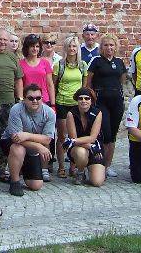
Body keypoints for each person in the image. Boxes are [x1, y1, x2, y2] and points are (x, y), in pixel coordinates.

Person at [1, 83, 55, 197]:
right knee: (18, 149)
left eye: (38, 98)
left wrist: (27, 135)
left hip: (31, 148)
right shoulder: (16, 109)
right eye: (31, 98)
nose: (35, 101)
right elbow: (16, 138)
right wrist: (38, 146)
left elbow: (47, 140)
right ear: (24, 99)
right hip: (12, 143)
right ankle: (14, 181)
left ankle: (20, 167)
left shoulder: (49, 112)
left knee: (36, 185)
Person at [85, 33, 127, 177]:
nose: (109, 48)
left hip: (116, 101)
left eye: (111, 45)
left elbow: (122, 80)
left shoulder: (119, 62)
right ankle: (99, 163)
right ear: (101, 47)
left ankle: (108, 165)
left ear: (115, 47)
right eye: (106, 45)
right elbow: (88, 81)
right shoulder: (96, 61)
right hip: (101, 101)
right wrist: (92, 96)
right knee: (105, 132)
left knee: (113, 135)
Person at [18, 34, 55, 181]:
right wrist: (21, 100)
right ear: (26, 48)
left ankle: (44, 167)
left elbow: (50, 84)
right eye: (32, 46)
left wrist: (52, 104)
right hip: (28, 102)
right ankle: (25, 164)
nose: (35, 49)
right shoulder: (21, 63)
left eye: (37, 46)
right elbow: (20, 83)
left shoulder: (45, 62)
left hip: (44, 101)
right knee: (27, 133)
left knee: (45, 135)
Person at [53, 34, 87, 178]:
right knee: (62, 137)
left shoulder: (83, 65)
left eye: (74, 46)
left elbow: (84, 87)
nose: (72, 49)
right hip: (62, 103)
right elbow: (54, 85)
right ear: (65, 48)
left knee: (75, 137)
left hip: (76, 105)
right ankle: (61, 166)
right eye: (69, 46)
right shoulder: (59, 65)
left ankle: (73, 166)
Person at [64, 86, 105, 187]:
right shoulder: (71, 114)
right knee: (81, 152)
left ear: (91, 100)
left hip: (94, 148)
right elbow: (74, 139)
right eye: (80, 98)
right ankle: (80, 172)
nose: (83, 101)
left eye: (87, 98)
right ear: (77, 100)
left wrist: (74, 141)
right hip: (79, 149)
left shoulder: (97, 113)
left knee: (97, 182)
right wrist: (90, 146)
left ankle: (92, 169)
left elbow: (92, 138)